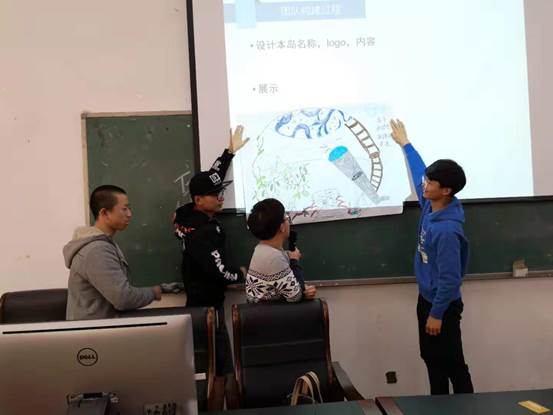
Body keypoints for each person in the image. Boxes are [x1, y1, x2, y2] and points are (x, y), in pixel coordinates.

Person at [390, 119, 474, 395]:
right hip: (427, 299)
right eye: (427, 181)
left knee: (453, 365)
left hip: (443, 306)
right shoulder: (431, 204)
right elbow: (419, 172)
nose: (424, 185)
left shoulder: (447, 231)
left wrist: (437, 314)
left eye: (430, 183)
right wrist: (406, 144)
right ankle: (438, 406)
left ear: (446, 190)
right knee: (432, 361)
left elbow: (450, 279)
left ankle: (467, 408)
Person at [173, 125, 248, 375]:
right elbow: (219, 271)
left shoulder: (186, 216)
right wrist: (240, 274)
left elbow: (212, 177)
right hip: (208, 309)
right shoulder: (204, 232)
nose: (220, 197)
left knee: (207, 364)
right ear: (198, 200)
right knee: (220, 367)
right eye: (215, 195)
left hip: (197, 304)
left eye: (220, 192)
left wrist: (228, 154)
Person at [64, 185, 163, 320]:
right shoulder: (97, 250)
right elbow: (122, 298)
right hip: (95, 330)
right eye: (124, 209)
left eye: (129, 208)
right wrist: (153, 293)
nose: (129, 214)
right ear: (104, 213)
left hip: (102, 328)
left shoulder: (103, 244)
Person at [245, 198, 317, 303]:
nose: (288, 221)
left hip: (269, 310)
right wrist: (294, 260)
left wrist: (303, 289)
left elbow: (287, 287)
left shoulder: (263, 249)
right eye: (286, 218)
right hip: (268, 312)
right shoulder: (273, 257)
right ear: (282, 227)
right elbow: (295, 297)